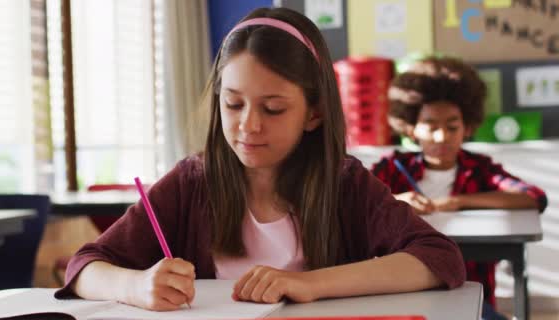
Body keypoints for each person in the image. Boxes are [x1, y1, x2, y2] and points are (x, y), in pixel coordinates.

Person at [55, 8, 466, 311]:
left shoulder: (344, 184)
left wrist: (309, 283)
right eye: (233, 105)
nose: (248, 127)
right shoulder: (192, 183)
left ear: (315, 113)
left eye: (272, 109)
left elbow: (439, 258)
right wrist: (137, 286)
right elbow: (84, 266)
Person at [371, 56, 547, 320]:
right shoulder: (393, 168)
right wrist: (396, 200)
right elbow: (350, 203)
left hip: (470, 297)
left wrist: (457, 202)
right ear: (412, 128)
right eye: (430, 126)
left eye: (452, 127)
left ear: (467, 128)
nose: (441, 137)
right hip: (403, 298)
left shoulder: (479, 168)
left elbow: (532, 197)